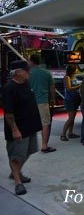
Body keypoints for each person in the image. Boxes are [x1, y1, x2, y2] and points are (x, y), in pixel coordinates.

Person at [3, 60, 42, 195]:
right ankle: (18, 182)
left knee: (28, 151)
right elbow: (8, 113)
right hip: (18, 129)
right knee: (16, 156)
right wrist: (14, 129)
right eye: (27, 70)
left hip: (30, 126)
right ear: (18, 72)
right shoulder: (9, 88)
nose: (29, 72)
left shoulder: (26, 84)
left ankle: (16, 173)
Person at [29, 54, 56, 153]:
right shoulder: (47, 73)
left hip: (31, 103)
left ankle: (29, 145)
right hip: (43, 102)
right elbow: (52, 88)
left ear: (32, 61)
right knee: (45, 124)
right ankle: (44, 145)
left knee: (30, 123)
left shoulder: (28, 73)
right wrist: (53, 99)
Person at [60, 64, 80, 141]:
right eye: (76, 69)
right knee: (71, 118)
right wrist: (79, 86)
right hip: (69, 100)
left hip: (74, 99)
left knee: (73, 118)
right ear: (72, 70)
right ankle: (63, 134)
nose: (77, 70)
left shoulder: (73, 76)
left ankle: (70, 133)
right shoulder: (67, 77)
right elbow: (69, 88)